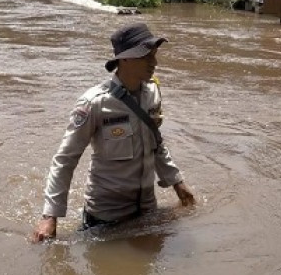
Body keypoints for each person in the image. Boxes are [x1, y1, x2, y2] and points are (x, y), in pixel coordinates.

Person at [31, 22, 195, 242]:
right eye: (147, 57)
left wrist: (177, 182)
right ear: (125, 58)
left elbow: (156, 142)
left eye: (154, 56)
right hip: (105, 218)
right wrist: (50, 216)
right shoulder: (94, 104)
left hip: (147, 211)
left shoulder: (152, 94)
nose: (154, 63)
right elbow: (65, 160)